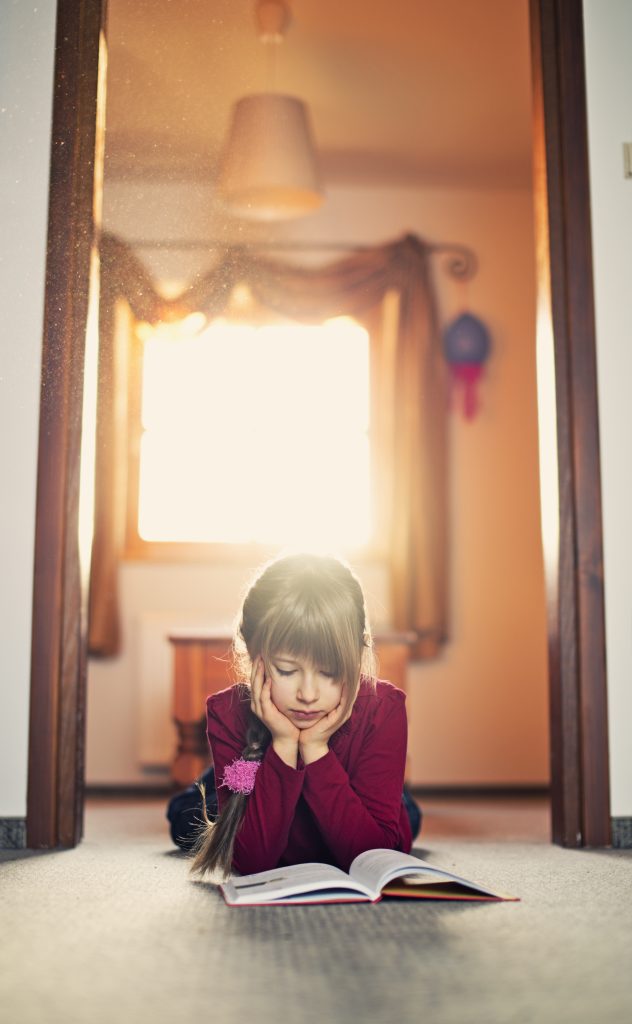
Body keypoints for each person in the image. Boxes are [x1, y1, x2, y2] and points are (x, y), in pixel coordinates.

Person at [167, 552, 421, 877]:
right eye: (287, 671)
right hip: (252, 769)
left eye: (329, 672)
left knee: (407, 816)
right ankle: (210, 778)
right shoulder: (229, 715)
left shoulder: (383, 709)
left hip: (356, 789)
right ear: (253, 657)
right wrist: (285, 743)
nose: (308, 695)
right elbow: (250, 863)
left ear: (358, 657)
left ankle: (398, 793)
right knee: (186, 819)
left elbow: (375, 856)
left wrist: (315, 750)